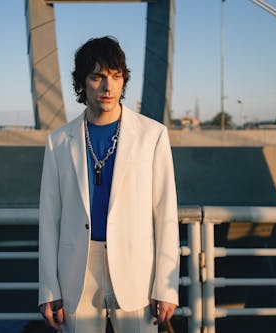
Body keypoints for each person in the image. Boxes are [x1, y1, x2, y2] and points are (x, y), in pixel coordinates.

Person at [38, 36, 179, 333]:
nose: (108, 87)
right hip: (78, 271)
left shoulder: (152, 135)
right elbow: (49, 221)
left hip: (136, 271)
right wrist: (49, 290)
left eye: (116, 77)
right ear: (82, 82)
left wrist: (167, 287)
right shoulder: (59, 142)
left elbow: (165, 214)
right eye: (97, 77)